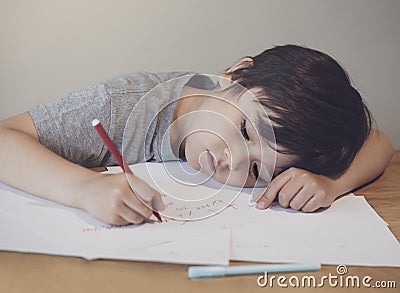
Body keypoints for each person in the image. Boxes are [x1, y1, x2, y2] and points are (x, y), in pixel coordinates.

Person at [0, 45, 393, 225]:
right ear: (234, 76)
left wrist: (331, 183)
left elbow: (379, 141)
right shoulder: (120, 105)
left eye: (259, 167)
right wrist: (85, 189)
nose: (235, 160)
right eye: (244, 129)